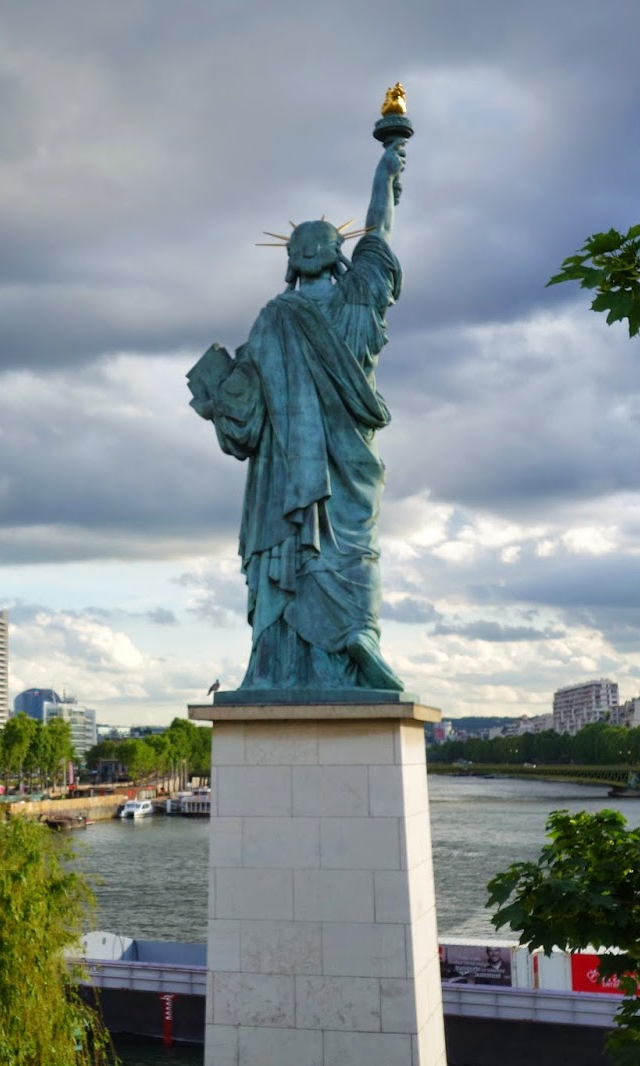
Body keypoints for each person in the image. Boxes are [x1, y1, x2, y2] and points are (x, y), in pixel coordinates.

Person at [188, 137, 407, 694]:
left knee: (290, 550)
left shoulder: (273, 320)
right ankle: (360, 633)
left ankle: (277, 665)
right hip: (349, 468)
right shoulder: (359, 301)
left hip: (287, 482)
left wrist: (216, 391)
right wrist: (387, 171)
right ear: (339, 258)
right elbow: (378, 232)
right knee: (355, 551)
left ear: (291, 265)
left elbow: (244, 415)